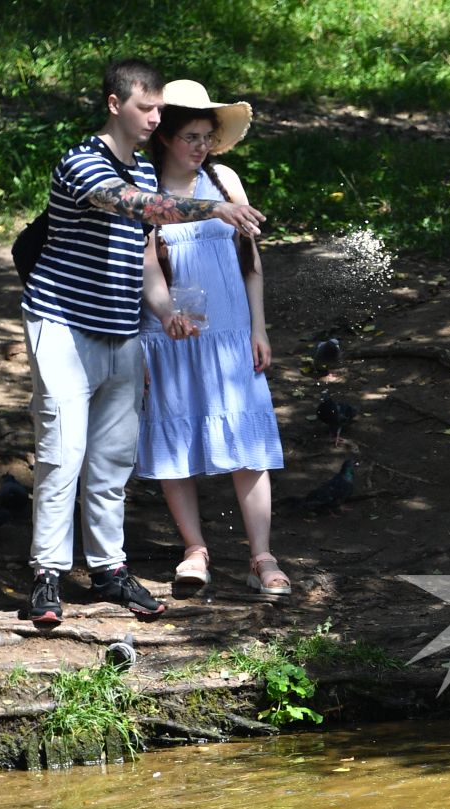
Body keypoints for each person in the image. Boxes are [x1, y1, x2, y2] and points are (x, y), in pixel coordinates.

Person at [19, 57, 266, 626]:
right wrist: (215, 207)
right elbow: (136, 207)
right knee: (62, 451)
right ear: (115, 105)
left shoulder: (149, 172)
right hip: (61, 322)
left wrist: (167, 312)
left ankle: (107, 570)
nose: (156, 117)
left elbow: (142, 261)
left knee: (112, 457)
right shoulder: (82, 163)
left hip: (121, 328)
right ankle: (48, 576)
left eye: (160, 108)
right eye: (146, 107)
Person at [137, 80, 290, 598]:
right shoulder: (146, 187)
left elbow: (251, 262)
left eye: (207, 135)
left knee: (248, 446)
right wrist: (164, 317)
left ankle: (261, 555)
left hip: (229, 331)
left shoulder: (224, 181)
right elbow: (144, 267)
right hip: (173, 333)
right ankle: (194, 550)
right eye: (190, 136)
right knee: (175, 434)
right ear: (165, 138)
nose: (201, 147)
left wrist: (258, 326)